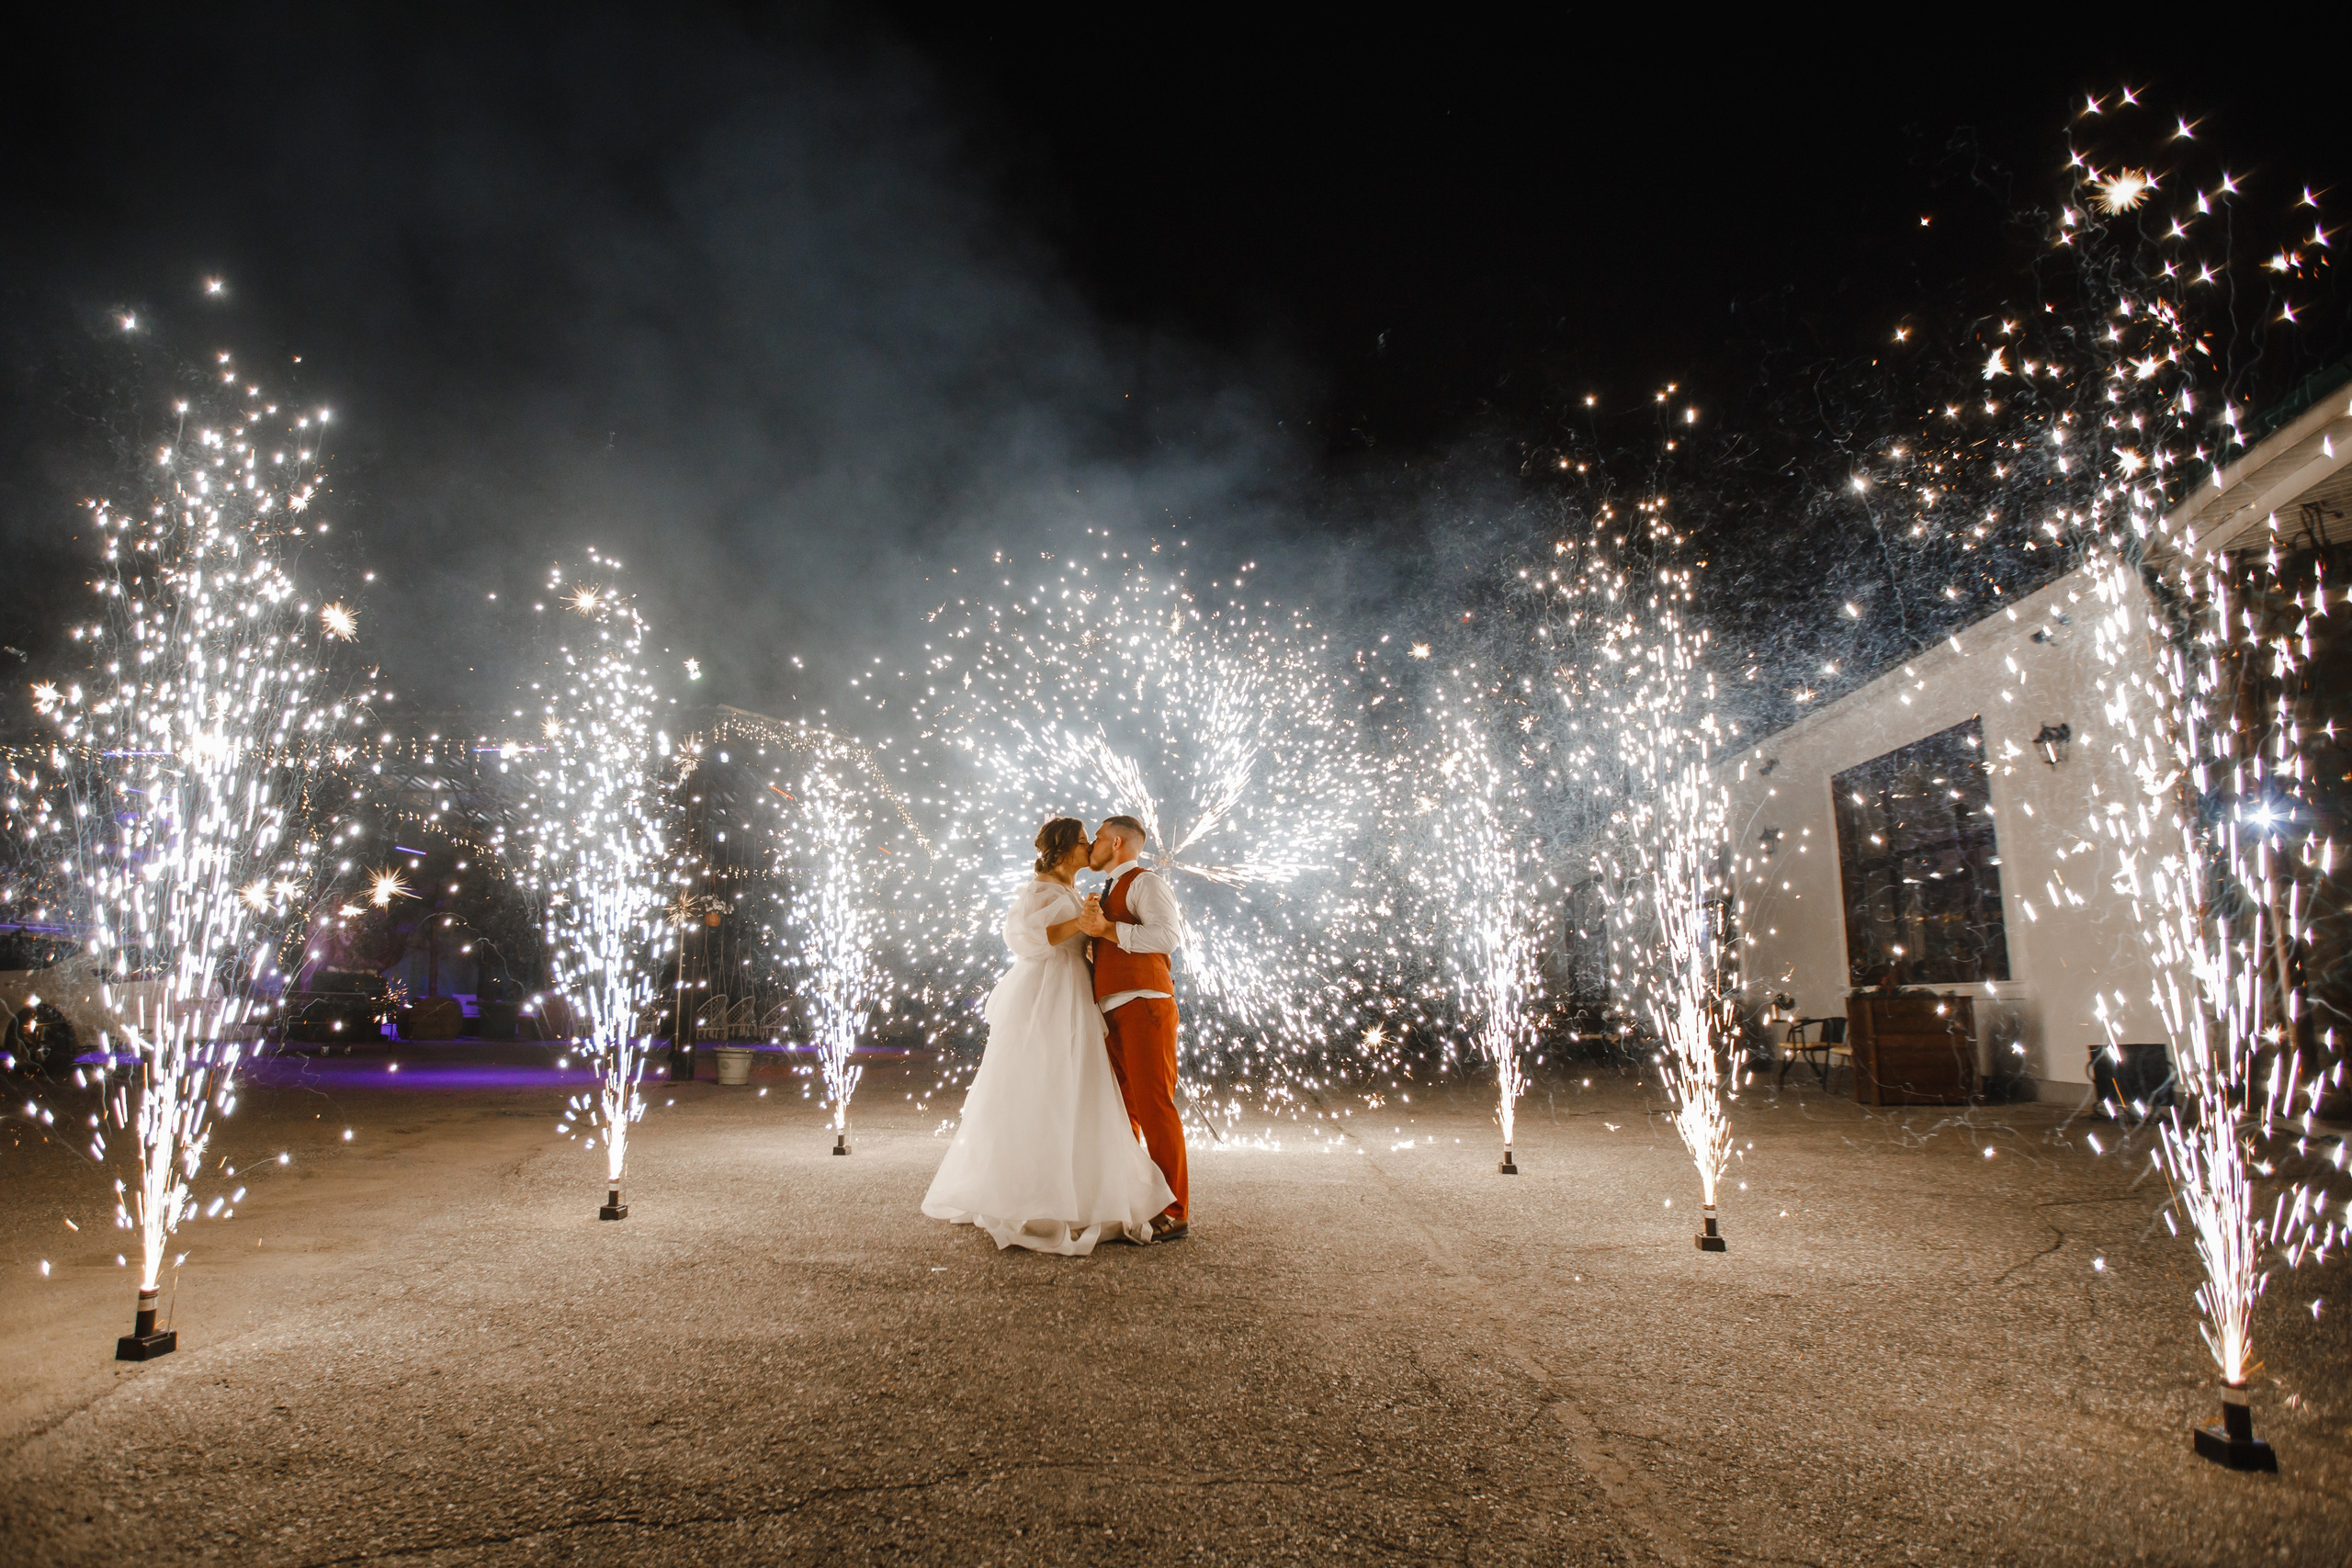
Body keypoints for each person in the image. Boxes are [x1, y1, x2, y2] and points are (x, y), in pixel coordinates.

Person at [922, 818, 1173, 1254]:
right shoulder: (1040, 888)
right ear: (1062, 850)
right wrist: (1083, 924)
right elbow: (1025, 939)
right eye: (1081, 842)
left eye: (1091, 840)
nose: (1088, 848)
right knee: (1044, 1084)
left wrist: (1093, 929)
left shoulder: (1078, 893)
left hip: (1076, 992)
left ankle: (1075, 1188)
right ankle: (1033, 1195)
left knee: (1076, 1089)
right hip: (1047, 995)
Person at [1078, 814, 1188, 1241]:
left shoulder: (1145, 882)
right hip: (1113, 1008)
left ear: (1118, 843)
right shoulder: (1105, 891)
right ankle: (1135, 1201)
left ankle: (1175, 1211)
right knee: (1124, 1112)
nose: (1092, 847)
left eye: (1099, 839)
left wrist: (1107, 928)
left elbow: (1167, 936)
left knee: (1155, 1107)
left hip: (1144, 1005)